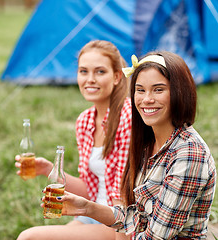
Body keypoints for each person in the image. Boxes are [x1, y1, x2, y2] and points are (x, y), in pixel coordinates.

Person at [52, 51, 217, 239]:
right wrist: (86, 207)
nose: (147, 99)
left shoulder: (188, 153)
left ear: (179, 92)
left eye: (158, 89)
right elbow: (134, 218)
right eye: (140, 90)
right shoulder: (147, 143)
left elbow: (156, 236)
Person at [15, 40, 132, 240]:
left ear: (116, 76)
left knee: (29, 237)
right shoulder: (85, 121)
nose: (90, 79)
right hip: (92, 213)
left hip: (122, 220)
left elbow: (126, 195)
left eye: (100, 72)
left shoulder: (128, 116)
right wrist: (47, 169)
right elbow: (90, 189)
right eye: (83, 71)